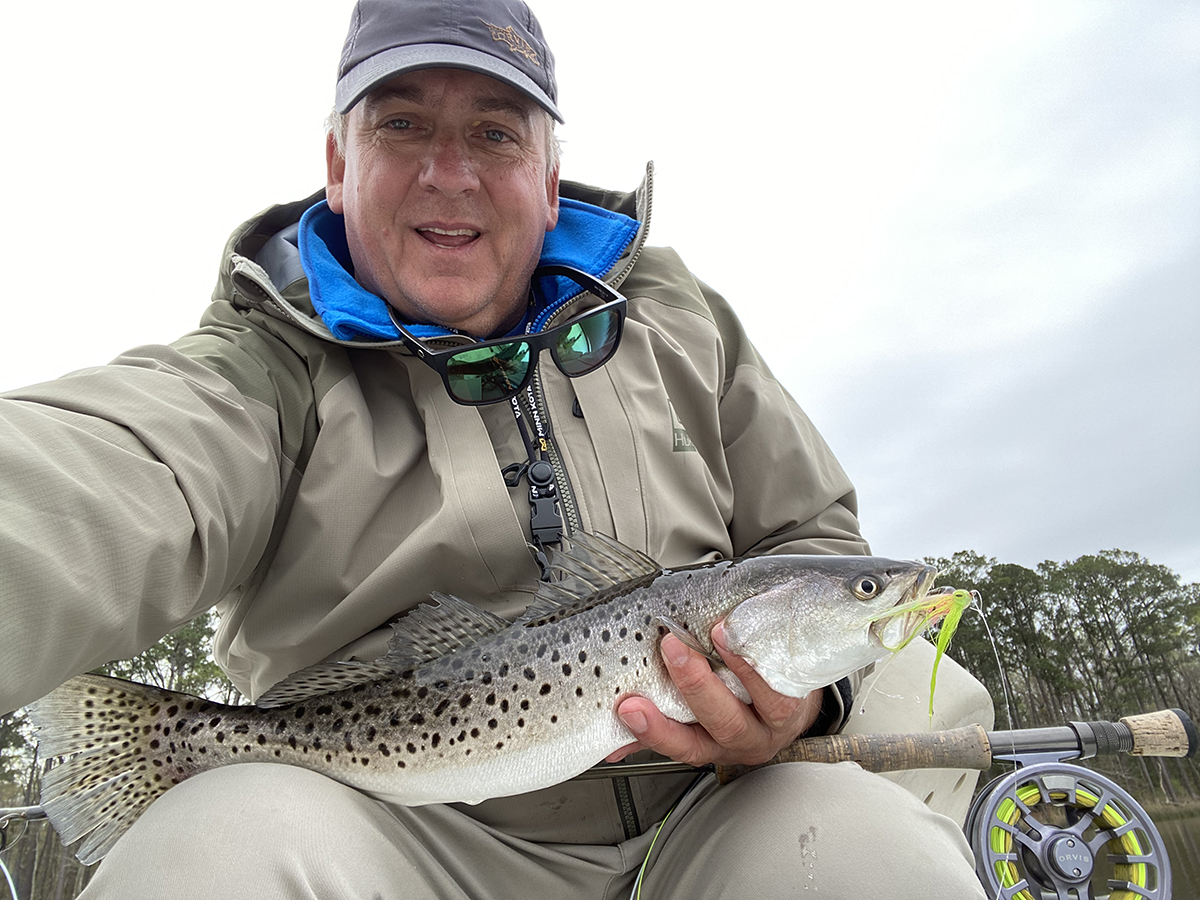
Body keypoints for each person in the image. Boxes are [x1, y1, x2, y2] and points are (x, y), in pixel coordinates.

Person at [0, 0, 990, 896]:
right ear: (338, 166)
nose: (450, 172)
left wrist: (818, 698)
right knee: (211, 853)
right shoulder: (262, 367)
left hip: (720, 812)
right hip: (390, 834)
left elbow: (812, 537)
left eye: (494, 133)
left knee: (880, 857)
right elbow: (108, 468)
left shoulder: (680, 318)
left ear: (549, 176)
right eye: (402, 124)